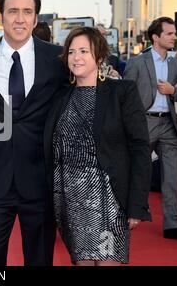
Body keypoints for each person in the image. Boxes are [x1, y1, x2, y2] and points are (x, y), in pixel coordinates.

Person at [0, 0, 68, 266]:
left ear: (36, 18)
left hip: (40, 179)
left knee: (39, 259)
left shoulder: (57, 59)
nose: (19, 19)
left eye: (27, 12)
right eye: (12, 11)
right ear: (0, 17)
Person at [44, 26, 151, 266]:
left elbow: (140, 148)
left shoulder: (121, 91)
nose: (76, 57)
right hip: (71, 201)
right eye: (71, 52)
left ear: (99, 56)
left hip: (110, 200)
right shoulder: (60, 97)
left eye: (84, 51)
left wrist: (136, 204)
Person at [124, 17, 177, 241]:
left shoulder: (176, 64)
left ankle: (172, 225)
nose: (174, 37)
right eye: (169, 33)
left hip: (169, 123)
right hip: (144, 122)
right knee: (133, 171)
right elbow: (126, 96)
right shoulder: (138, 62)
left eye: (174, 33)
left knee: (172, 177)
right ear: (156, 37)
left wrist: (172, 91)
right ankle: (124, 216)